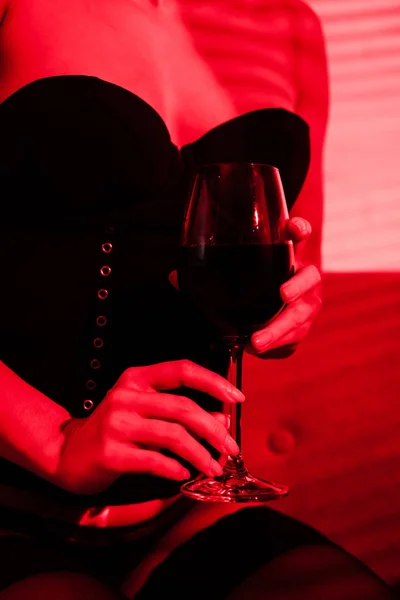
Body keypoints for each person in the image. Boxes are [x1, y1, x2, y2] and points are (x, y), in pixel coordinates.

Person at [0, 0, 396, 598]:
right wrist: (55, 440)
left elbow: (296, 251)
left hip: (184, 505)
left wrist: (291, 310)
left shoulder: (291, 27)